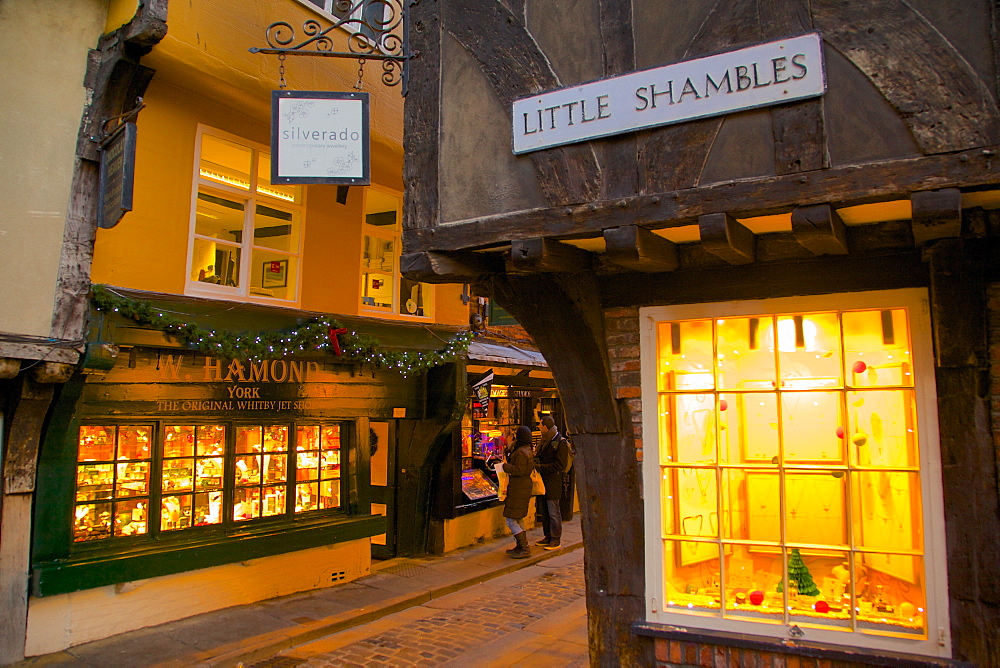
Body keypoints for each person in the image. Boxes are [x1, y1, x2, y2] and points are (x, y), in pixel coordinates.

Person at [498, 425, 536, 559]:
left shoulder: (520, 453)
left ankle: (524, 547)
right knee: (518, 517)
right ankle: (521, 546)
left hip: (518, 488)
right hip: (522, 487)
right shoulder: (527, 450)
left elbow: (519, 470)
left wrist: (505, 466)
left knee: (511, 520)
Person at [534, 415, 570, 550]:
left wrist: (542, 467)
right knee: (544, 511)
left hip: (553, 482)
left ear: (545, 426)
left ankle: (556, 539)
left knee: (553, 511)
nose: (538, 427)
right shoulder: (545, 440)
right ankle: (547, 536)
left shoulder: (559, 442)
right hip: (543, 482)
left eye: (540, 424)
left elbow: (560, 465)